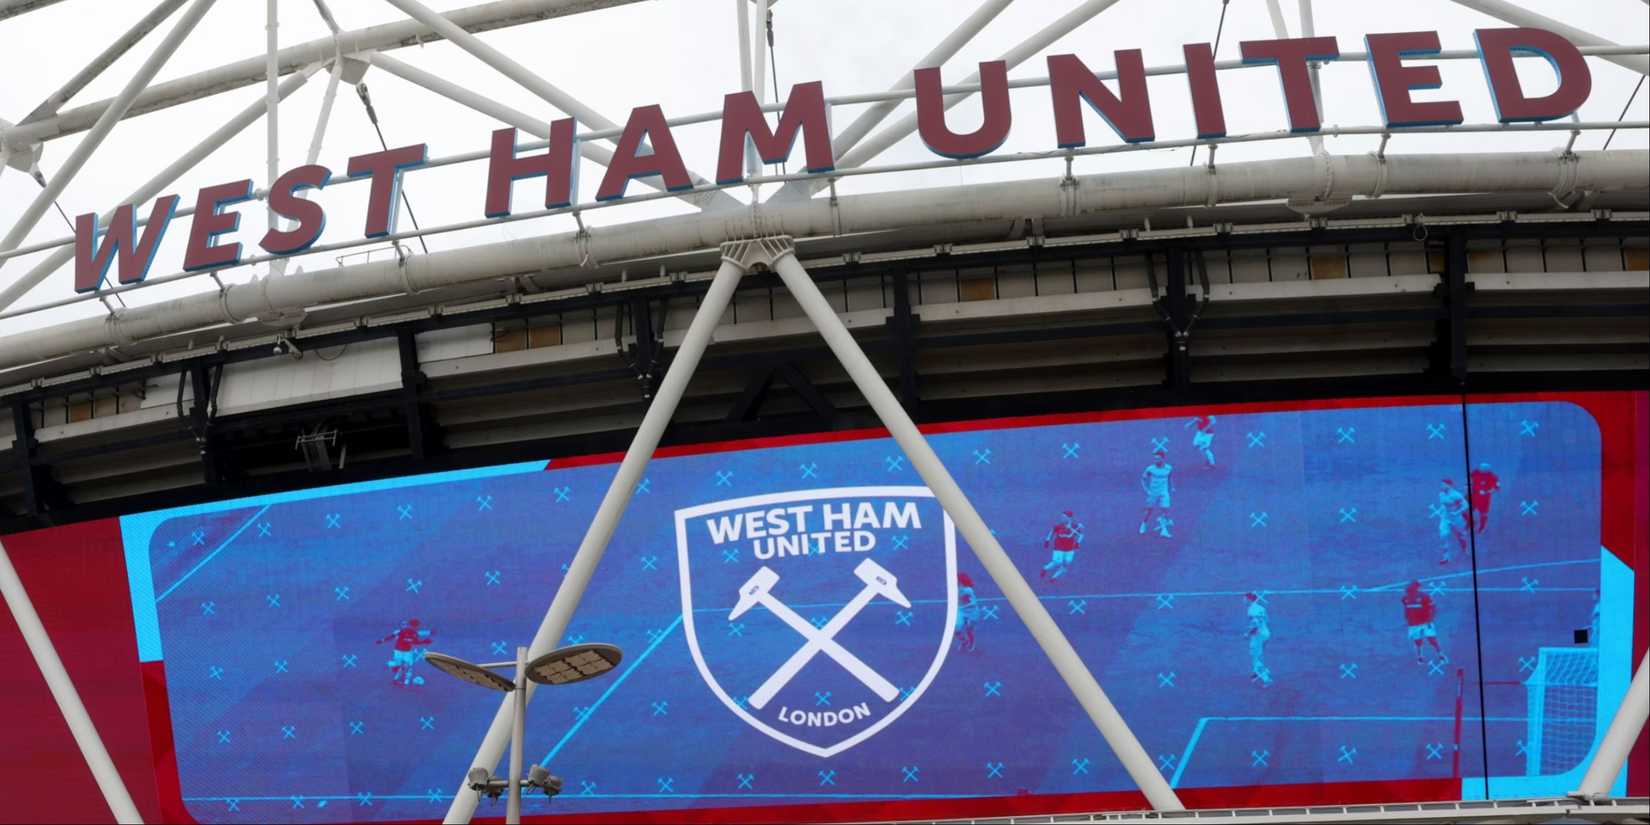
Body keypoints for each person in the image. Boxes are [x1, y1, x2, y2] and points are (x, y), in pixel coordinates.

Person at [376, 618, 434, 686]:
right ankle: (390, 665)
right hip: (400, 651)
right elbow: (393, 636)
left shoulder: (414, 632)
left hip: (404, 651)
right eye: (417, 626)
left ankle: (402, 681)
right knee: (402, 665)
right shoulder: (403, 631)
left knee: (406, 666)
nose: (417, 627)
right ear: (416, 625)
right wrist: (382, 640)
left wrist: (425, 640)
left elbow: (415, 641)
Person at [1401, 580, 1447, 665]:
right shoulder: (1405, 598)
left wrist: (1430, 619)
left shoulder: (1424, 596)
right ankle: (1420, 657)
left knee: (1432, 639)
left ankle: (1441, 655)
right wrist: (1407, 618)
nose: (1408, 589)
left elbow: (1433, 608)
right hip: (1413, 624)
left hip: (1426, 622)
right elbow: (1406, 608)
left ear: (1417, 588)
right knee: (1417, 641)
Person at [1040, 510, 1085, 580]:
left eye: (1064, 517)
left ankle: (1054, 578)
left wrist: (1078, 543)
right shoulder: (1058, 526)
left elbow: (1081, 535)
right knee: (1057, 562)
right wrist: (1047, 540)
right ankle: (1045, 568)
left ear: (1069, 518)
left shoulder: (1075, 526)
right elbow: (1052, 532)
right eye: (1061, 517)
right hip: (1059, 547)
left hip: (1069, 548)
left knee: (1067, 563)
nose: (1062, 518)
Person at [1139, 450, 1174, 539]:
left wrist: (1172, 487)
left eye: (1158, 459)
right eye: (1155, 459)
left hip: (1164, 492)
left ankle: (1164, 530)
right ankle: (1144, 524)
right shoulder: (1150, 469)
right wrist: (1146, 490)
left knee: (1165, 509)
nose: (1156, 461)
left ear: (1163, 459)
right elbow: (1143, 479)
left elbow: (1170, 478)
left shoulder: (1169, 468)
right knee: (1149, 511)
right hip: (1153, 492)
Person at [1436, 479, 1470, 565]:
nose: (1441, 486)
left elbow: (1466, 505)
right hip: (1445, 518)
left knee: (1461, 537)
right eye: (1441, 485)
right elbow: (1443, 505)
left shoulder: (1457, 495)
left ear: (1449, 485)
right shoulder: (1441, 494)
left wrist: (1456, 513)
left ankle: (1465, 548)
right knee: (1443, 536)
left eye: (1443, 485)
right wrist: (1440, 511)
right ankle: (1446, 557)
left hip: (1456, 519)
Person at [1245, 592, 1272, 687]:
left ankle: (1266, 678)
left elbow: (1255, 625)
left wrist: (1247, 634)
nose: (1244, 600)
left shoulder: (1251, 610)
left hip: (1258, 636)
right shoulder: (1261, 608)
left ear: (1249, 599)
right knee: (1258, 654)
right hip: (1266, 633)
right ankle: (1256, 673)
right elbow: (1267, 620)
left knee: (1256, 657)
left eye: (1245, 598)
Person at [1468, 462, 1501, 532]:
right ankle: (1471, 523)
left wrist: (1487, 492)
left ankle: (1482, 527)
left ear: (1487, 469)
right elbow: (1470, 479)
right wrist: (1469, 485)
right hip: (1474, 496)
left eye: (1482, 468)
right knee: (1467, 510)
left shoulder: (1493, 476)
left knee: (1483, 513)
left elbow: (1497, 488)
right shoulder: (1475, 472)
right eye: (1480, 467)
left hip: (1485, 499)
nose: (1480, 469)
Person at [955, 573, 981, 652]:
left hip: (972, 612)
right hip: (961, 611)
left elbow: (974, 603)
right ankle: (964, 641)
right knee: (957, 629)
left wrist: (962, 606)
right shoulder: (955, 589)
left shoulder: (968, 590)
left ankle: (972, 643)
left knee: (969, 629)